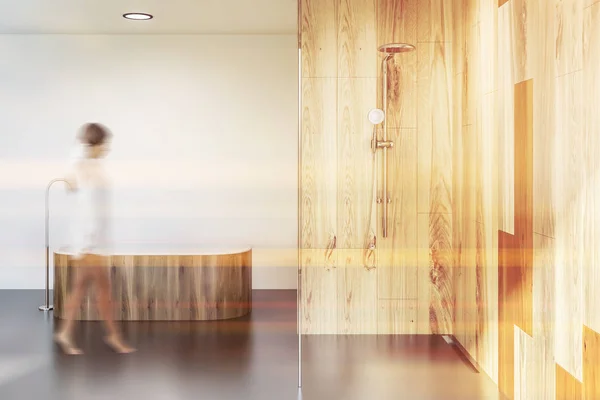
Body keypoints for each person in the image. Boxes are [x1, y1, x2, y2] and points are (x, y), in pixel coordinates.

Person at [54, 123, 135, 355]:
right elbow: (85, 204)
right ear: (95, 145)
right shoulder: (84, 169)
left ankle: (66, 333)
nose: (107, 149)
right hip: (90, 242)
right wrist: (88, 242)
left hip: (95, 241)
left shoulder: (93, 168)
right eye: (104, 145)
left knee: (81, 288)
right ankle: (114, 337)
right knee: (103, 290)